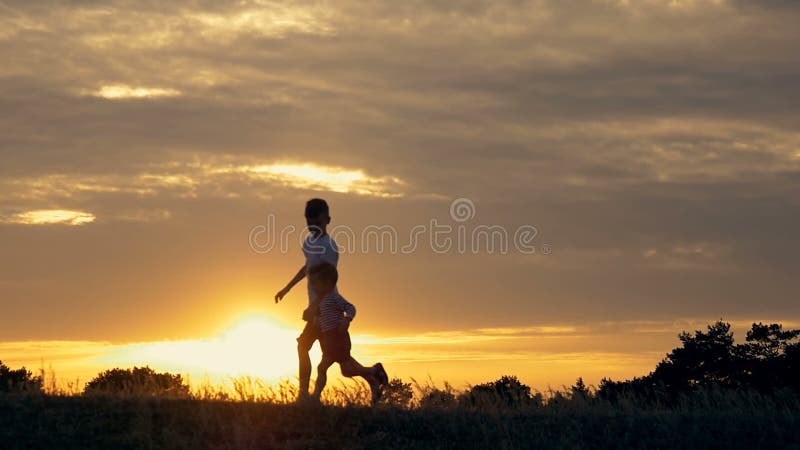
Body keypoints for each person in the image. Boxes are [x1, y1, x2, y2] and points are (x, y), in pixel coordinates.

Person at [275, 198, 340, 399]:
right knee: (306, 347)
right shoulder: (309, 243)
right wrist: (286, 288)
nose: (312, 226)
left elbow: (329, 283)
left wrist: (316, 307)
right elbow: (308, 268)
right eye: (309, 222)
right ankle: (305, 394)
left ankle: (310, 396)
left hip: (327, 309)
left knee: (332, 357)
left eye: (317, 222)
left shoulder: (330, 246)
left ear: (327, 220)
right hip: (315, 310)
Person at [306, 262, 388, 403]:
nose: (313, 287)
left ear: (328, 283)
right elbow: (322, 316)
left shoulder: (334, 297)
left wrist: (347, 320)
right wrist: (315, 321)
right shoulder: (322, 300)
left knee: (328, 368)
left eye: (316, 284)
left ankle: (316, 396)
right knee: (344, 370)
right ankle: (374, 373)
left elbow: (351, 308)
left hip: (338, 338)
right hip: (329, 340)